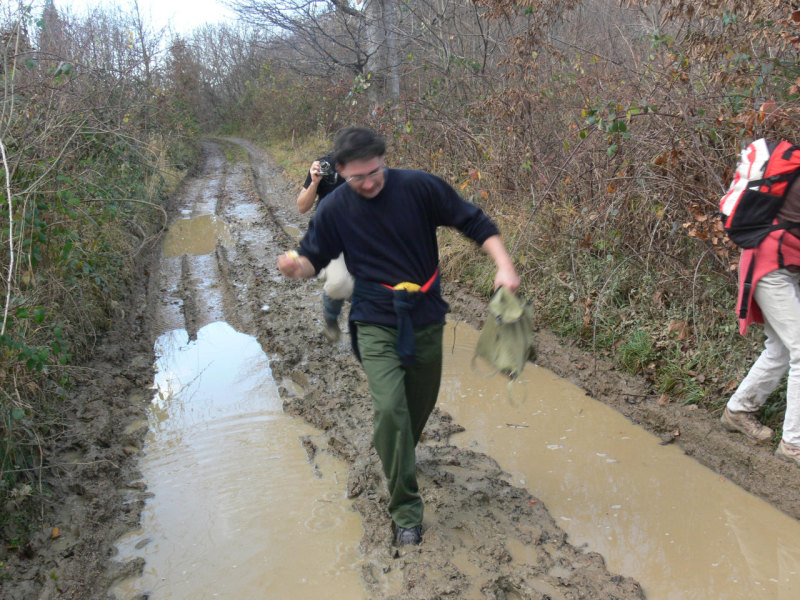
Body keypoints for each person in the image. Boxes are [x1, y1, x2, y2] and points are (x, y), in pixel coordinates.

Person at [278, 126, 520, 545]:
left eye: (375, 172)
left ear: (383, 160)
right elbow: (311, 260)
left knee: (416, 409)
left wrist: (504, 264)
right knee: (391, 410)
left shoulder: (419, 187)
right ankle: (405, 509)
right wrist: (294, 267)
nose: (370, 182)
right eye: (358, 177)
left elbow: (475, 221)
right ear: (341, 171)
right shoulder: (333, 208)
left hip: (426, 316)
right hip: (373, 318)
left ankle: (397, 450)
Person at [721, 175, 800, 466]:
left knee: (781, 349)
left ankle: (738, 411)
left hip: (781, 266)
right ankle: (793, 445)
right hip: (770, 267)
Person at [296, 151, 352, 342]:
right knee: (338, 284)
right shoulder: (324, 165)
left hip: (362, 233)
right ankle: (331, 322)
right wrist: (314, 182)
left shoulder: (372, 169)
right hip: (329, 234)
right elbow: (302, 206)